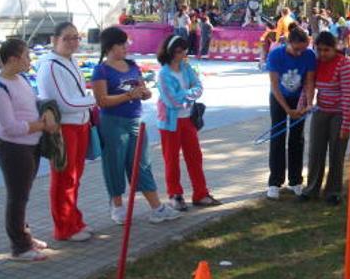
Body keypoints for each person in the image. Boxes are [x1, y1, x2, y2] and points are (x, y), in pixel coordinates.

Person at [93, 27, 182, 224]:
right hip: (113, 123)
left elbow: (142, 88)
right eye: (121, 44)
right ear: (110, 47)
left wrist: (144, 93)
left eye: (126, 43)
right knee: (114, 164)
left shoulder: (132, 65)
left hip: (135, 122)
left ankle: (157, 208)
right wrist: (127, 96)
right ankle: (117, 206)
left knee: (142, 164)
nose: (126, 47)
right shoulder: (102, 69)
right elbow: (101, 100)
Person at [0, 39, 58, 262]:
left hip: (30, 145)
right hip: (12, 148)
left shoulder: (20, 79)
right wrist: (41, 126)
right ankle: (19, 246)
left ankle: (24, 235)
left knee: (23, 195)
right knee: (17, 197)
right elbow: (10, 127)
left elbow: (32, 101)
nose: (30, 60)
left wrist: (46, 111)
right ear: (12, 59)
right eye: (26, 56)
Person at [36, 22, 96, 242]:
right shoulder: (50, 66)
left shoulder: (70, 61)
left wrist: (88, 102)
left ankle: (73, 218)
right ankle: (63, 226)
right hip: (65, 127)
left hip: (80, 124)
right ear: (54, 40)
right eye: (67, 38)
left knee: (75, 176)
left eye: (75, 37)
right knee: (64, 177)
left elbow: (75, 96)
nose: (72, 42)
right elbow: (64, 102)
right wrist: (93, 100)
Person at [156, 35, 221, 211]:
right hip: (170, 123)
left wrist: (186, 96)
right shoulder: (163, 74)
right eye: (179, 51)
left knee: (195, 157)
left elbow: (199, 87)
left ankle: (201, 193)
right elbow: (172, 101)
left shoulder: (186, 67)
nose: (183, 55)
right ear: (170, 51)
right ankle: (175, 195)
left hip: (188, 121)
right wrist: (189, 97)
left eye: (185, 51)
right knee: (172, 160)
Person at [300, 32, 350, 206]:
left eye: (326, 50)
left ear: (335, 48)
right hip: (321, 110)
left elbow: (347, 95)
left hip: (341, 112)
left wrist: (346, 123)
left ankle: (333, 191)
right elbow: (308, 86)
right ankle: (311, 189)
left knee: (337, 152)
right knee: (316, 150)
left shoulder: (344, 64)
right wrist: (302, 106)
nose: (322, 53)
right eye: (319, 49)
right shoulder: (315, 63)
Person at [265, 26, 316, 199]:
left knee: (297, 138)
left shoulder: (309, 55)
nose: (299, 53)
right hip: (279, 99)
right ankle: (274, 182)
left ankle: (295, 180)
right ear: (288, 43)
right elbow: (274, 85)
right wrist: (287, 109)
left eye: (303, 49)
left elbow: (309, 82)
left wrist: (308, 104)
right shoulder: (275, 55)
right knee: (277, 137)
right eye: (296, 49)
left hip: (299, 100)